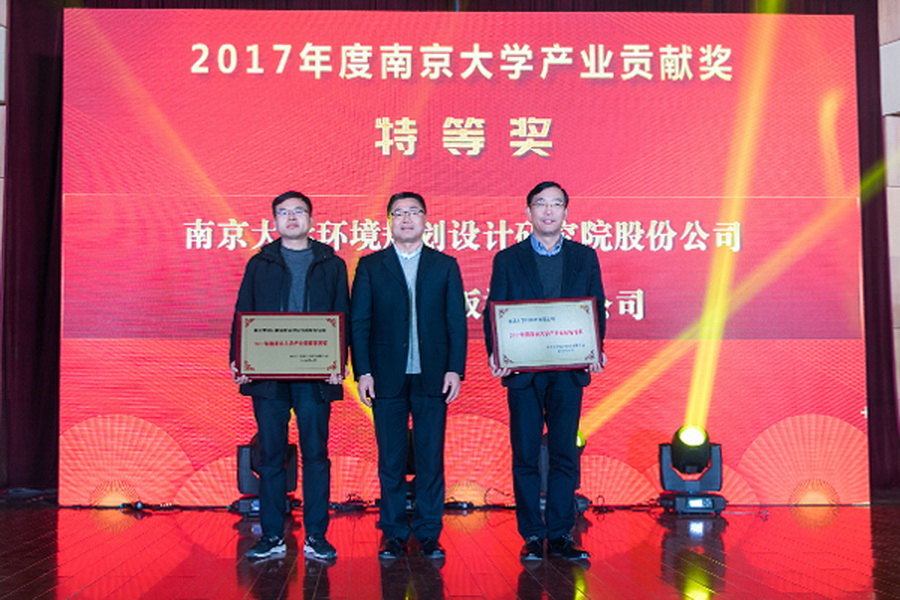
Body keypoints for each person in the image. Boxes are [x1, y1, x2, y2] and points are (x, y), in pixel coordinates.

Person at [483, 181, 607, 562]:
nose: (548, 211)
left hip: (568, 370)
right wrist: (496, 352)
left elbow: (596, 306)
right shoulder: (508, 259)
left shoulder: (584, 257)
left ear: (566, 212)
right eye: (541, 204)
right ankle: (533, 535)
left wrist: (595, 348)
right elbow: (495, 309)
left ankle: (560, 533)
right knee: (525, 454)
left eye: (556, 204)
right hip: (523, 372)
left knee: (564, 453)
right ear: (528, 212)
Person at [229, 190, 349, 561]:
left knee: (316, 455)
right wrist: (238, 359)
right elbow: (243, 312)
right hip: (269, 375)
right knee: (271, 456)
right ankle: (271, 536)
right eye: (284, 212)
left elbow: (342, 314)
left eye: (299, 211)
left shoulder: (331, 264)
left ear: (311, 219)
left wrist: (339, 361)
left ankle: (316, 535)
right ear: (275, 221)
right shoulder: (260, 263)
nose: (292, 217)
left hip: (315, 375)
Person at [350, 192, 467, 560]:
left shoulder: (444, 265)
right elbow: (359, 323)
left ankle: (429, 532)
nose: (406, 219)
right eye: (398, 213)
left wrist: (455, 368)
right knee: (391, 460)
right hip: (386, 376)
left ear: (425, 220)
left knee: (431, 459)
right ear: (388, 221)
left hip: (433, 375)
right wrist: (363, 371)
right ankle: (394, 533)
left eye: (414, 212)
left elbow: (456, 322)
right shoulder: (371, 266)